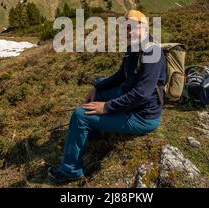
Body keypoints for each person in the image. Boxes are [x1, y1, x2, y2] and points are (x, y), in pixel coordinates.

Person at [48, 10, 166, 184]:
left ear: (145, 27)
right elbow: (120, 76)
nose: (128, 31)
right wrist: (97, 86)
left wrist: (106, 107)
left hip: (143, 116)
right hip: (130, 100)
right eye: (125, 28)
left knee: (80, 115)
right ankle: (94, 130)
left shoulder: (152, 51)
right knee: (100, 89)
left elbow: (142, 94)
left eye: (132, 27)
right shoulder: (134, 46)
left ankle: (71, 171)